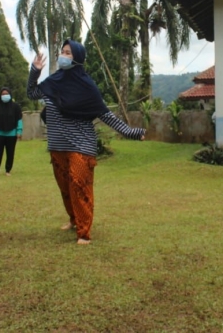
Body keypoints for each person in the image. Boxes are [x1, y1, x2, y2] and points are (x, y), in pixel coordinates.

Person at [27, 39, 145, 245]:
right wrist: (35, 71)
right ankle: (73, 219)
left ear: (78, 58)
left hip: (81, 145)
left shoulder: (87, 87)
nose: (63, 55)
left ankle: (84, 231)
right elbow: (32, 93)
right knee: (65, 187)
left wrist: (131, 132)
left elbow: (106, 115)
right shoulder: (53, 82)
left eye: (68, 53)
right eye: (62, 52)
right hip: (57, 145)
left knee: (79, 184)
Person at [0, 87, 23, 176]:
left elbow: (19, 119)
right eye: (3, 94)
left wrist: (19, 131)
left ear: (10, 94)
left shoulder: (16, 107)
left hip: (12, 134)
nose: (5, 95)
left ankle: (8, 170)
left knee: (10, 153)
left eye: (6, 94)